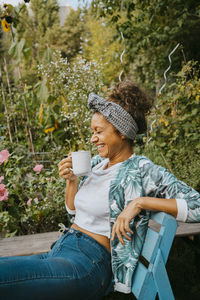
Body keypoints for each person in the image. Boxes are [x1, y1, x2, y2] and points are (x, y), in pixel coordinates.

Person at [0, 80, 199, 300]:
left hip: (89, 265)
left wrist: (139, 203)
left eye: (99, 132)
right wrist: (71, 181)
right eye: (92, 131)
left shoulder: (142, 169)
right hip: (63, 249)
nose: (93, 138)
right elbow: (74, 214)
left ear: (122, 132)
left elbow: (197, 205)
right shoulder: (96, 164)